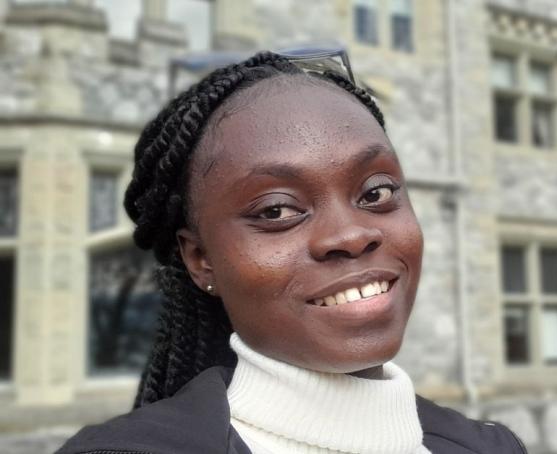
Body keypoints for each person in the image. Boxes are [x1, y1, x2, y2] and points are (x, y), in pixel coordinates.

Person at [56, 51, 526, 454]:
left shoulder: (491, 447)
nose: (350, 234)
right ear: (200, 259)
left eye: (377, 193)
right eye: (278, 210)